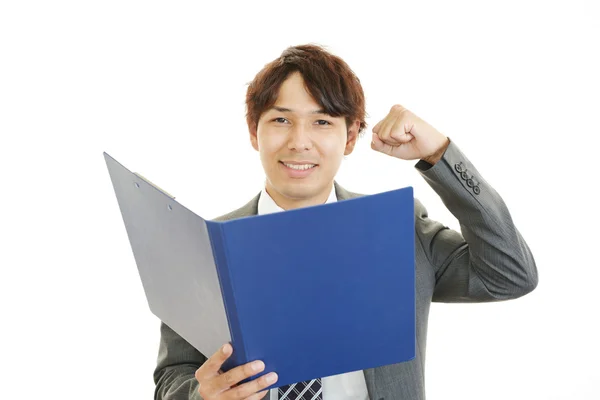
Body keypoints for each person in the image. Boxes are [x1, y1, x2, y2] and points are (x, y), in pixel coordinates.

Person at [153, 44, 538, 400]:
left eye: (322, 122)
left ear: (351, 136)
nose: (299, 142)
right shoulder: (204, 246)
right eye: (281, 120)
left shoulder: (398, 229)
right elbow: (172, 379)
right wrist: (201, 396)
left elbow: (510, 274)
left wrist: (441, 155)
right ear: (255, 131)